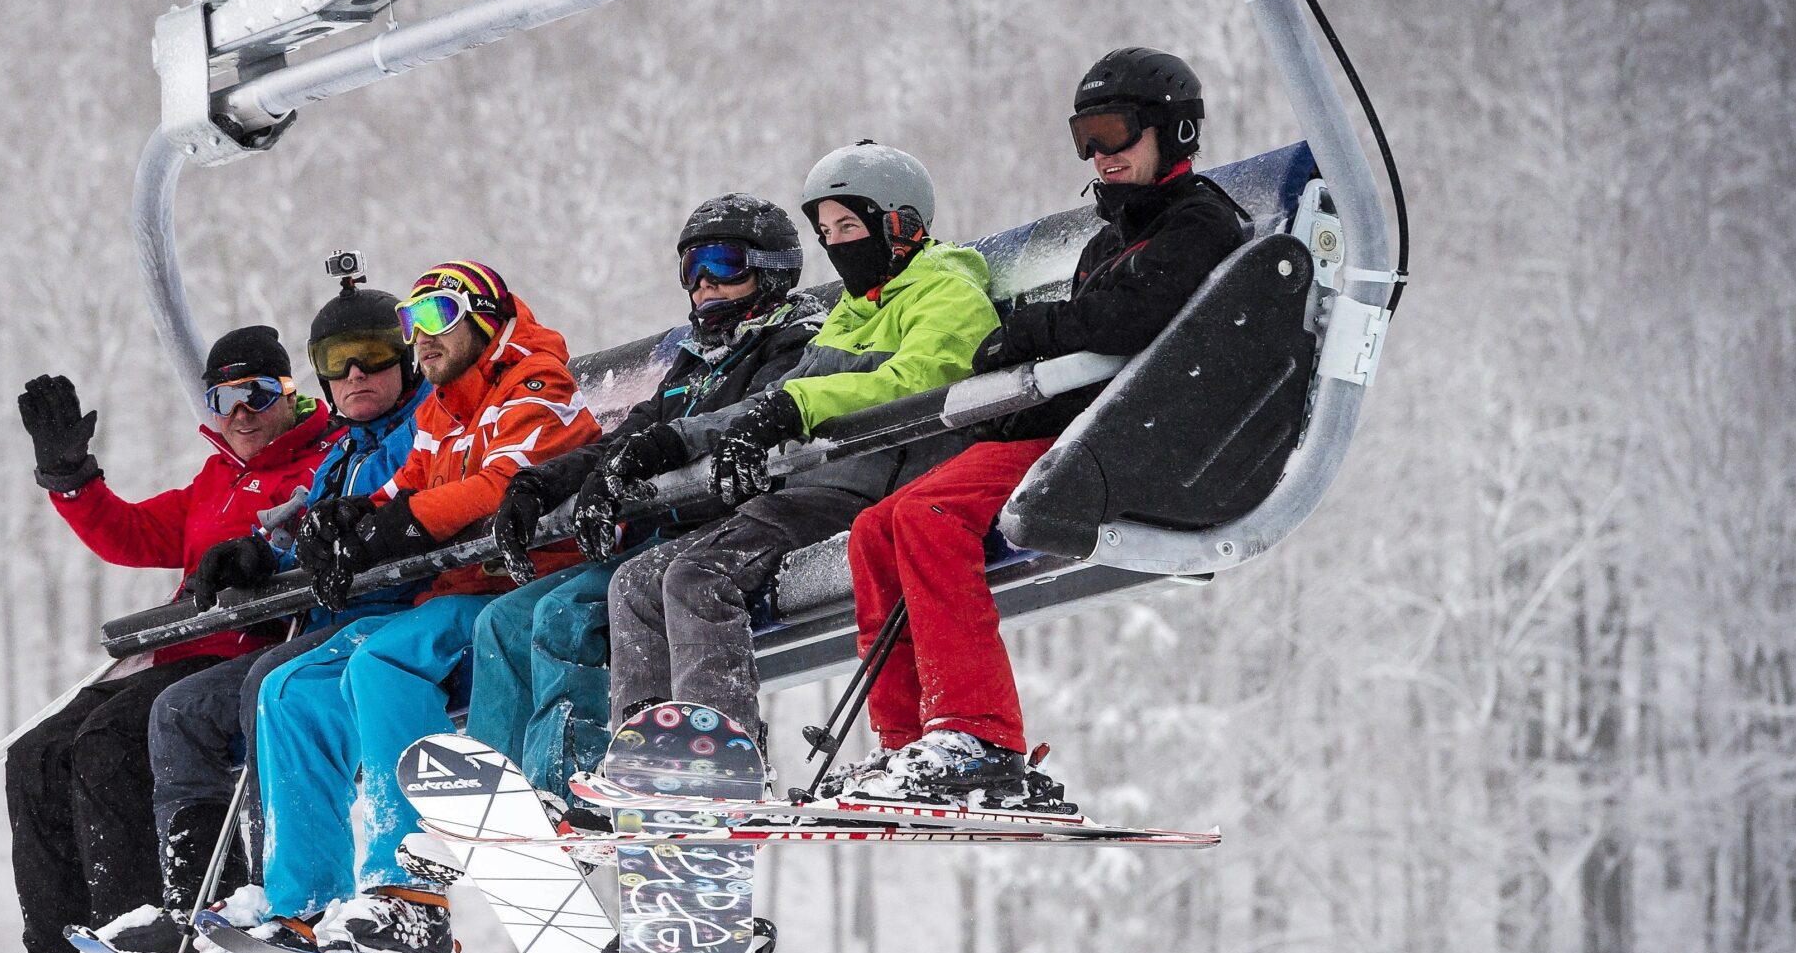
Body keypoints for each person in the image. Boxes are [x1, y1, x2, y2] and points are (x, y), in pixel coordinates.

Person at [836, 47, 1249, 808]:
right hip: (1075, 424)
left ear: (1172, 129)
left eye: (1114, 132)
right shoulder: (1112, 235)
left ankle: (979, 739)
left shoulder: (1200, 225)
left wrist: (1029, 331)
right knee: (876, 528)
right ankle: (906, 743)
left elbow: (1135, 319)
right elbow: (1096, 328)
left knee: (930, 515)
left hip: (1131, 435)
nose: (1098, 154)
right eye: (1083, 137)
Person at [233, 261, 598, 953]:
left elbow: (500, 485)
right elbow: (404, 489)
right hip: (455, 597)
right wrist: (346, 519)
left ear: (485, 320)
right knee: (290, 689)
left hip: (522, 589)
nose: (420, 338)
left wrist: (395, 525)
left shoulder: (533, 386)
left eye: (437, 318)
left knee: (385, 660)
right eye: (411, 322)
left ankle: (409, 893)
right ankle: (303, 907)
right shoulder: (440, 409)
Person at [598, 142, 999, 746]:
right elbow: (782, 393)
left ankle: (719, 751)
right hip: (809, 487)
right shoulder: (853, 310)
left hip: (873, 483)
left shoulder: (947, 293)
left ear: (899, 223)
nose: (836, 243)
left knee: (698, 575)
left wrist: (795, 410)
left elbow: (919, 377)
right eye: (826, 231)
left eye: (849, 226)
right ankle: (649, 756)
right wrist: (676, 439)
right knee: (633, 583)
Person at [100, 274, 437, 953]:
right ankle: (199, 901)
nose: (354, 374)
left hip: (404, 610)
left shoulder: (424, 430)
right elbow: (292, 522)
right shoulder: (346, 450)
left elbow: (434, 491)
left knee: (270, 686)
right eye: (339, 361)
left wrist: (371, 522)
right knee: (182, 711)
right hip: (340, 621)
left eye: (372, 355)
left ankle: (286, 894)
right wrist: (255, 551)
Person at [0, 327, 337, 953]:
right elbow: (129, 533)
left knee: (109, 742)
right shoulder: (217, 479)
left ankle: (143, 932)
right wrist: (70, 478)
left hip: (244, 653)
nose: (240, 412)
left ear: (290, 396)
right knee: (36, 754)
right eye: (223, 397)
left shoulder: (320, 465)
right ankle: (58, 951)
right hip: (175, 654)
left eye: (257, 393)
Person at [469, 194, 820, 811]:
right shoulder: (694, 362)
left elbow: (759, 420)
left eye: (722, 263)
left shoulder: (790, 344)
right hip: (662, 533)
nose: (705, 284)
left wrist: (656, 453)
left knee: (567, 615)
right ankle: (497, 797)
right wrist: (538, 484)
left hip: (733, 522)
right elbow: (625, 437)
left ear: (771, 268)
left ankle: (576, 783)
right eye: (692, 269)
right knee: (501, 620)